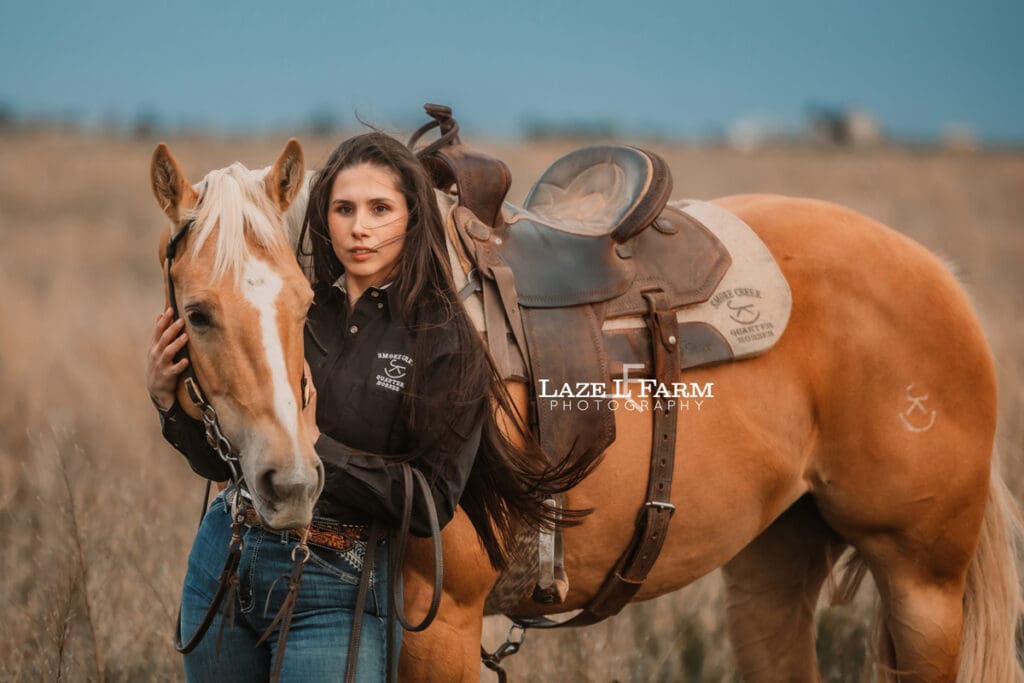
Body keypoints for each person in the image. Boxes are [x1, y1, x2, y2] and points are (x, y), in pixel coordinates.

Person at [146, 132, 591, 682]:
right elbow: (230, 463)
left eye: (381, 208)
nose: (359, 228)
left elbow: (432, 504)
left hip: (339, 579)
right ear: (322, 217)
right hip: (225, 558)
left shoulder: (445, 342)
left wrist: (317, 450)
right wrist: (169, 404)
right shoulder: (294, 307)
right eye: (343, 208)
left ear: (411, 216)